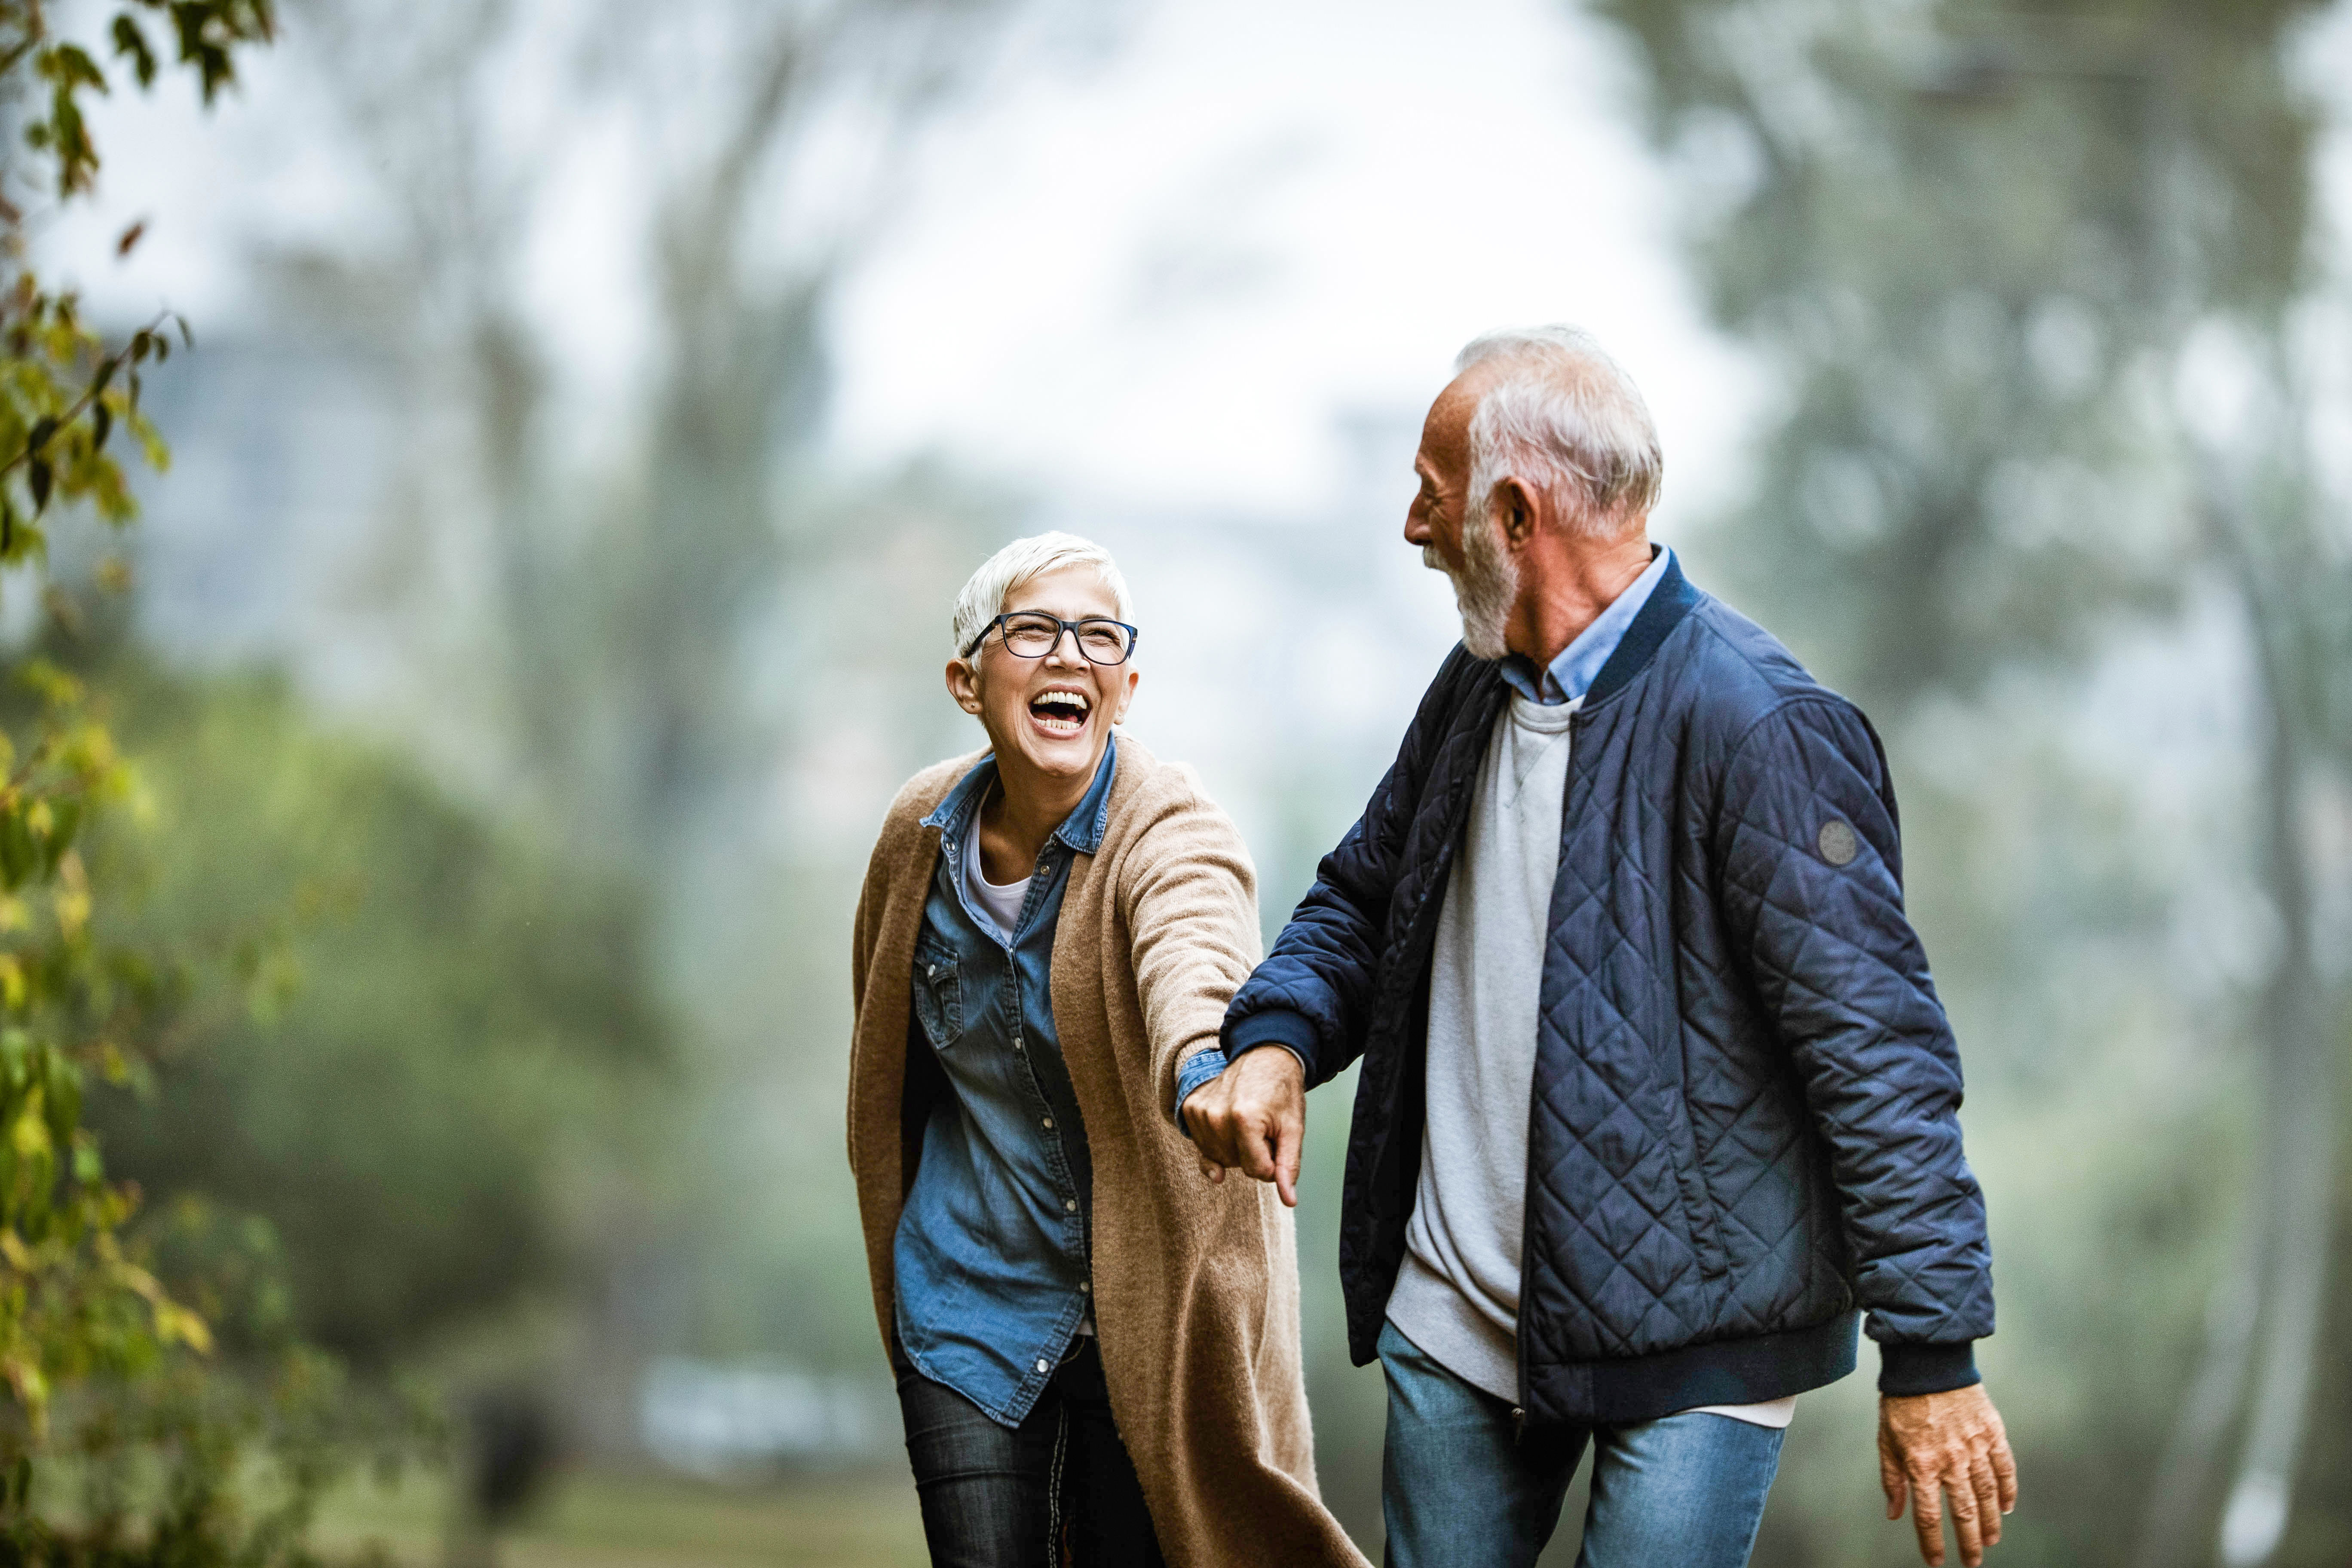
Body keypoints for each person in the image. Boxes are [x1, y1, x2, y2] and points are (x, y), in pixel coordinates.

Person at [1182, 327, 2019, 1568]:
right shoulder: (1472, 688)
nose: (1414, 529)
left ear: (1513, 514)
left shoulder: (1763, 727)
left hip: (1699, 1345)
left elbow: (1877, 1056)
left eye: (1430, 492)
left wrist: (1934, 1356)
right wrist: (1276, 1040)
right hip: (1456, 1323)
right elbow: (1364, 899)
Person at [846, 532, 1367, 1568]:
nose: (1068, 657)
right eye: (1033, 630)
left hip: (1149, 1315)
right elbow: (883, 1052)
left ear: (1126, 687)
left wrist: (1206, 1071)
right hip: (966, 1297)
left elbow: (1196, 951)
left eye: (1097, 637)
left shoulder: (1168, 824)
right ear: (968, 680)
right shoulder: (918, 837)